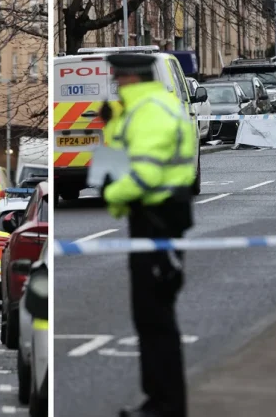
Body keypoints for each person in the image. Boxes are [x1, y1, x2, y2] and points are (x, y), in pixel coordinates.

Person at [100, 53, 196, 417]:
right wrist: (111, 123)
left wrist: (112, 196)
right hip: (157, 220)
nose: (114, 84)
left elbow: (145, 174)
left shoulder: (150, 111)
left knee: (155, 317)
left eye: (116, 78)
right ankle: (158, 401)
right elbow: (119, 155)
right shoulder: (150, 106)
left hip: (158, 221)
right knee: (150, 316)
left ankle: (165, 406)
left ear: (129, 78)